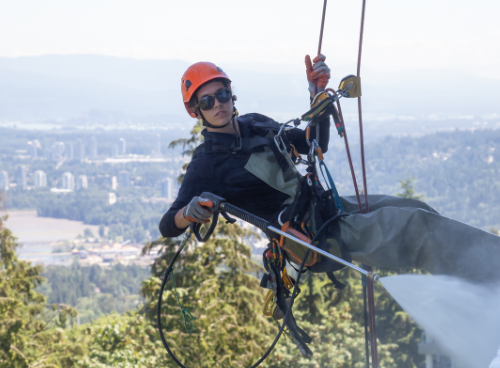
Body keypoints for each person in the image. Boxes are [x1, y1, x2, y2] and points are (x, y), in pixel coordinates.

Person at [160, 58, 500, 286]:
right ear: (195, 111)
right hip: (314, 238)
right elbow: (168, 225)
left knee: (419, 210)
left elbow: (312, 144)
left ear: (232, 95)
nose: (218, 104)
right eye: (206, 101)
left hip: (327, 208)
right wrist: (187, 214)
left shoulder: (256, 124)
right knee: (417, 228)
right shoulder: (208, 162)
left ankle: (477, 281)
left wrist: (317, 99)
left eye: (221, 94)